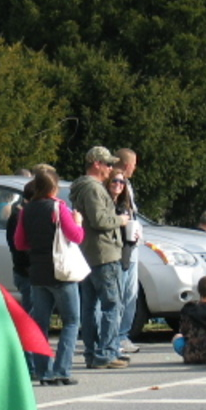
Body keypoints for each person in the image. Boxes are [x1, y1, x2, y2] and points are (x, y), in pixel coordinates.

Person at [14, 167, 84, 385]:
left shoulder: (27, 210)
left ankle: (43, 372)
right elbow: (76, 236)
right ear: (54, 187)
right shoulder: (58, 207)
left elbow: (20, 243)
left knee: (40, 323)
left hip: (38, 273)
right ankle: (62, 370)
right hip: (61, 272)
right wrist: (78, 221)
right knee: (71, 321)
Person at [70, 146, 130, 369]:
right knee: (112, 304)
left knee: (90, 306)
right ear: (96, 163)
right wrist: (120, 221)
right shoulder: (93, 188)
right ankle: (105, 352)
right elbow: (99, 220)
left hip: (88, 253)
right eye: (107, 164)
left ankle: (94, 352)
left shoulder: (81, 187)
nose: (110, 169)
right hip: (103, 253)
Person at [6, 180, 36, 379]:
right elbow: (20, 248)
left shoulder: (22, 213)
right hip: (26, 272)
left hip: (27, 271)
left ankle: (32, 362)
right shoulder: (19, 216)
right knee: (30, 318)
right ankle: (29, 364)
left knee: (32, 316)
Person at [114, 148, 142, 355]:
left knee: (129, 293)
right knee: (123, 292)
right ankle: (119, 335)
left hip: (132, 243)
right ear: (126, 164)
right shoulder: (115, 185)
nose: (135, 168)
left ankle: (121, 334)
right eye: (133, 164)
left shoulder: (127, 186)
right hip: (122, 247)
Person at [171, 275, 206, 365]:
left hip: (193, 354)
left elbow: (184, 332)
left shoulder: (188, 309)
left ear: (199, 291)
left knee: (177, 337)